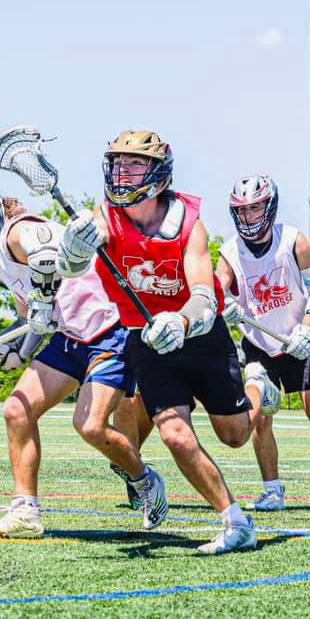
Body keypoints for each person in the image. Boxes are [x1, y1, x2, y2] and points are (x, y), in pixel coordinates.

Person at [58, 131, 281, 555]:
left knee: (234, 435)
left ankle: (257, 387)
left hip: (199, 336)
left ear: (158, 173)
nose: (123, 173)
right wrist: (72, 251)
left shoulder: (188, 224)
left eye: (134, 164)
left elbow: (204, 296)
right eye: (117, 163)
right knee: (175, 435)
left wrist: (179, 322)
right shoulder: (104, 217)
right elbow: (73, 267)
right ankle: (235, 522)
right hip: (145, 340)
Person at [0, 174, 167, 539]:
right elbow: (23, 343)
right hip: (71, 338)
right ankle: (25, 511)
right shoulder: (5, 260)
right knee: (17, 410)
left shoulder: (16, 230)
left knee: (90, 426)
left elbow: (46, 253)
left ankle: (145, 479)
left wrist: (43, 300)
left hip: (110, 329)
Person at [215, 174, 310, 511]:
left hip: (297, 339)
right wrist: (223, 304)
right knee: (261, 417)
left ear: (270, 207)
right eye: (242, 210)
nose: (249, 216)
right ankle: (273, 490)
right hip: (258, 344)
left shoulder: (294, 241)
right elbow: (216, 288)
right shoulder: (230, 252)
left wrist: (307, 330)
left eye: (255, 208)